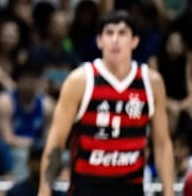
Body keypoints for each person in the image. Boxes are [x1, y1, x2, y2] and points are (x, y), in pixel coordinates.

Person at [39, 11, 175, 196]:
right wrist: (44, 191)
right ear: (99, 41)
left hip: (131, 188)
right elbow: (56, 142)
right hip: (87, 188)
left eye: (122, 33)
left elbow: (162, 144)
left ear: (134, 41)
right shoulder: (80, 80)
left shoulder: (151, 82)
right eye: (109, 33)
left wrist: (169, 193)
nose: (115, 40)